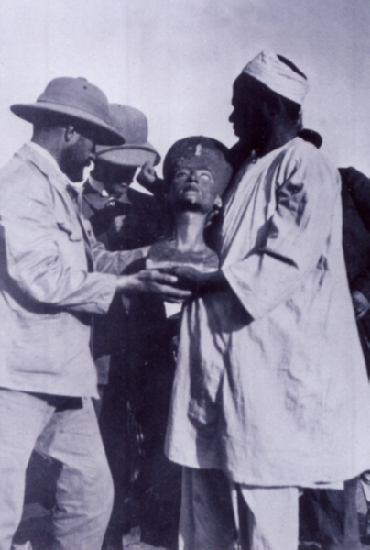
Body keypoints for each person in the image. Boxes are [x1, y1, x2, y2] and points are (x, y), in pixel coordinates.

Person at [164, 50, 370, 550]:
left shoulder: (307, 165)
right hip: (222, 365)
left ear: (272, 107)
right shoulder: (252, 169)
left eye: (240, 106)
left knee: (264, 514)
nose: (232, 118)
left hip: (270, 375)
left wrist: (198, 280)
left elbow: (282, 263)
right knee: (206, 508)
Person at [0, 76, 188, 550]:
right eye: (93, 142)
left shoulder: (55, 188)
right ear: (69, 131)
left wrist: (150, 259)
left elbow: (90, 263)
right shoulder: (21, 185)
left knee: (91, 495)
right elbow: (43, 277)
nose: (93, 156)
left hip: (63, 376)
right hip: (18, 376)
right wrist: (123, 283)